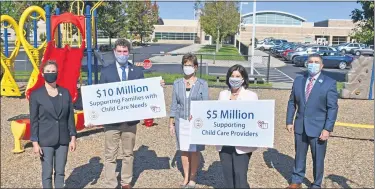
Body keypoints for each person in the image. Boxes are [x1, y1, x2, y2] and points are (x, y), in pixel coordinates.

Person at [95, 38, 164, 189]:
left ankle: (126, 181)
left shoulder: (137, 71)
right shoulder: (106, 72)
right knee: (110, 155)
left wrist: (157, 87)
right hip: (112, 122)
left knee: (128, 153)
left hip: (130, 122)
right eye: (119, 51)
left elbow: (145, 93)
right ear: (114, 52)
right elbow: (99, 96)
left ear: (129, 53)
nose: (122, 54)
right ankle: (110, 183)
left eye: (125, 51)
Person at [286, 54, 339, 189]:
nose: (313, 64)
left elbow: (332, 108)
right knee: (299, 156)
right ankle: (296, 180)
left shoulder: (329, 83)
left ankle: (316, 183)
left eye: (316, 62)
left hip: (318, 128)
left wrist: (327, 128)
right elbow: (292, 102)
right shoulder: (299, 80)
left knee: (318, 159)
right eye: (310, 62)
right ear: (306, 64)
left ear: (322, 66)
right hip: (300, 126)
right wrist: (289, 121)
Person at [29, 60, 77, 188]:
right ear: (43, 74)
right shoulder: (36, 95)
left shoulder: (65, 93)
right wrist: (35, 142)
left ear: (57, 73)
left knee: (60, 172)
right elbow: (34, 120)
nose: (51, 73)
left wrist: (73, 137)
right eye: (48, 71)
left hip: (63, 139)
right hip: (45, 140)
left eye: (53, 71)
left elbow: (70, 117)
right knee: (47, 173)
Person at [169, 53, 209, 188]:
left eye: (190, 65)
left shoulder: (202, 84)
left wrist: (199, 116)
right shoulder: (177, 83)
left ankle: (193, 177)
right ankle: (185, 176)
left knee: (194, 150)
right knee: (184, 149)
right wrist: (171, 121)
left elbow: (205, 104)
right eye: (185, 65)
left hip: (196, 123)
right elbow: (174, 104)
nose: (187, 67)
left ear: (196, 67)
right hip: (181, 121)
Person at [216, 64, 258, 189]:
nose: (234, 78)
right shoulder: (222, 94)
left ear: (243, 79)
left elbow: (256, 118)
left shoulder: (251, 96)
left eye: (238, 76)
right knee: (228, 175)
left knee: (240, 175)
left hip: (242, 142)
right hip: (225, 141)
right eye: (232, 76)